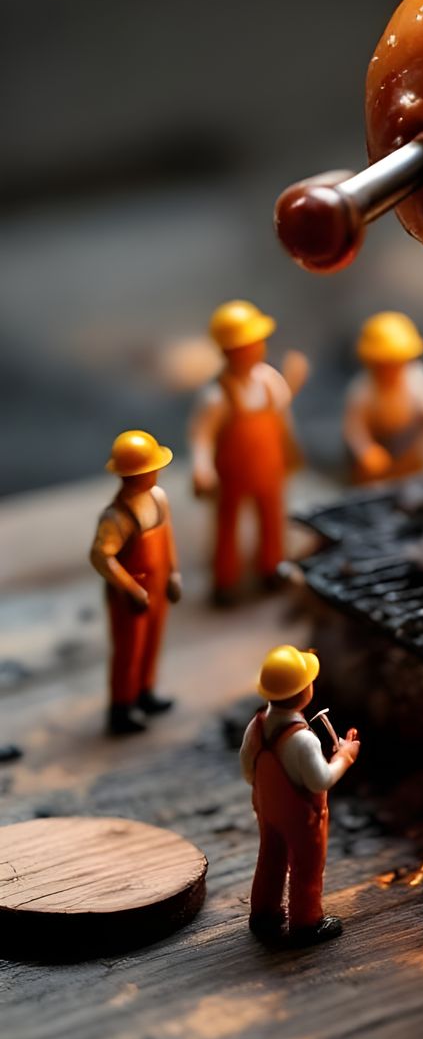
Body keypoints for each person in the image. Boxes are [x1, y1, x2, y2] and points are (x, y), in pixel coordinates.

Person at [239, 644, 360, 947]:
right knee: (306, 867)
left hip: (268, 808)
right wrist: (344, 757)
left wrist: (264, 794)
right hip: (300, 816)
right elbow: (320, 781)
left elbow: (247, 767)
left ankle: (263, 915)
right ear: (303, 692)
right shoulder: (303, 740)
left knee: (270, 858)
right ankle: (307, 923)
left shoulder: (257, 725)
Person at [190, 301, 307, 604]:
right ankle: (225, 580)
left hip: (269, 467)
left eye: (257, 343)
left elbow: (282, 415)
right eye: (246, 346)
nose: (254, 350)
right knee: (227, 524)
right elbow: (202, 436)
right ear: (227, 352)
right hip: (232, 473)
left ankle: (271, 568)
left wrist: (290, 448)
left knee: (272, 519)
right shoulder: (217, 395)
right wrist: (202, 467)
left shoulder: (269, 380)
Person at [89, 431, 182, 735]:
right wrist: (130, 589)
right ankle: (122, 708)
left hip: (157, 587)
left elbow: (167, 538)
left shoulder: (158, 498)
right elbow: (101, 557)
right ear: (134, 474)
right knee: (129, 651)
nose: (157, 473)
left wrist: (173, 573)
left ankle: (145, 692)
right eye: (151, 468)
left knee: (152, 642)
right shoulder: (116, 517)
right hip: (129, 597)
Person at [343, 311, 423, 482]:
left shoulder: (418, 379)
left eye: (396, 363)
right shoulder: (363, 390)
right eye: (384, 365)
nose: (391, 371)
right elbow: (354, 429)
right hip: (380, 459)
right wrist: (365, 450)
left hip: (412, 454)